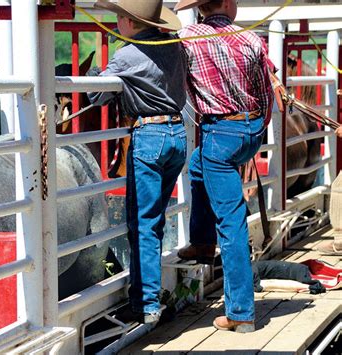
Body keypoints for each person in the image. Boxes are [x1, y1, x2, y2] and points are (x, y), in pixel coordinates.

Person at [174, 0, 274, 332]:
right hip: (251, 130)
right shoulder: (251, 38)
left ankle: (241, 313)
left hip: (219, 133)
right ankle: (202, 241)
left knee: (231, 225)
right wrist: (256, 131)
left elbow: (176, 87)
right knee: (198, 165)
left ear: (200, 8)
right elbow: (266, 94)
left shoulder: (186, 38)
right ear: (228, 4)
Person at [88, 0, 187, 324]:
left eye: (119, 18)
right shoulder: (175, 47)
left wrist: (95, 74)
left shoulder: (126, 55)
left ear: (128, 22)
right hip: (177, 135)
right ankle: (150, 295)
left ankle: (145, 304)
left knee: (143, 222)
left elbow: (96, 96)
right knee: (154, 220)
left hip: (149, 136)